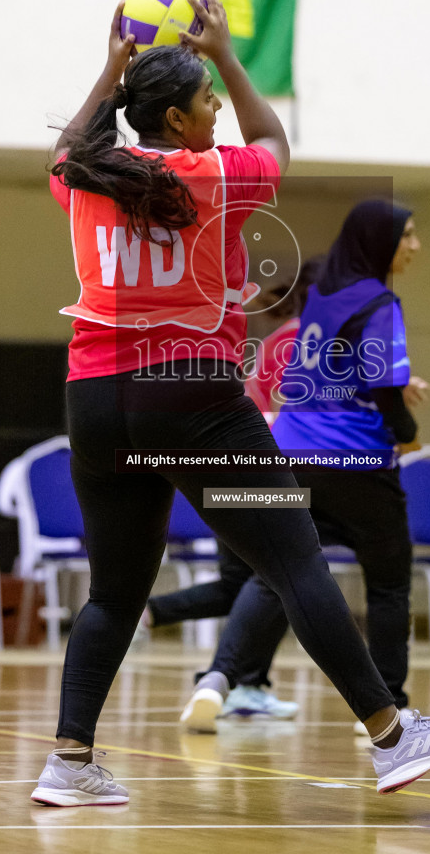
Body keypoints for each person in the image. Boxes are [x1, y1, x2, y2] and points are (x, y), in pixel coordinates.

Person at [31, 0, 430, 807]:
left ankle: (69, 762)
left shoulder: (84, 177)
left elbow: (70, 144)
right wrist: (232, 56)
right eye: (206, 99)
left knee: (113, 591)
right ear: (177, 122)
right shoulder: (210, 175)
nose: (217, 110)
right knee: (292, 558)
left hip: (96, 400)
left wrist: (108, 70)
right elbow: (274, 139)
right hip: (193, 401)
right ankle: (391, 735)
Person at [178, 199, 430, 737]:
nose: (414, 245)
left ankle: (218, 680)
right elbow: (385, 385)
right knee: (388, 586)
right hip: (356, 461)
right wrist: (408, 435)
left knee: (279, 574)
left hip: (293, 456)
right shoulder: (378, 301)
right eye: (407, 235)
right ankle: (391, 707)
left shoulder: (321, 302)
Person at [136, 259, 323, 722]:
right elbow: (283, 415)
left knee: (248, 582)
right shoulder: (301, 340)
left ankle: (241, 680)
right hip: (257, 470)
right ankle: (227, 679)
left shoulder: (299, 338)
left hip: (243, 468)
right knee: (277, 577)